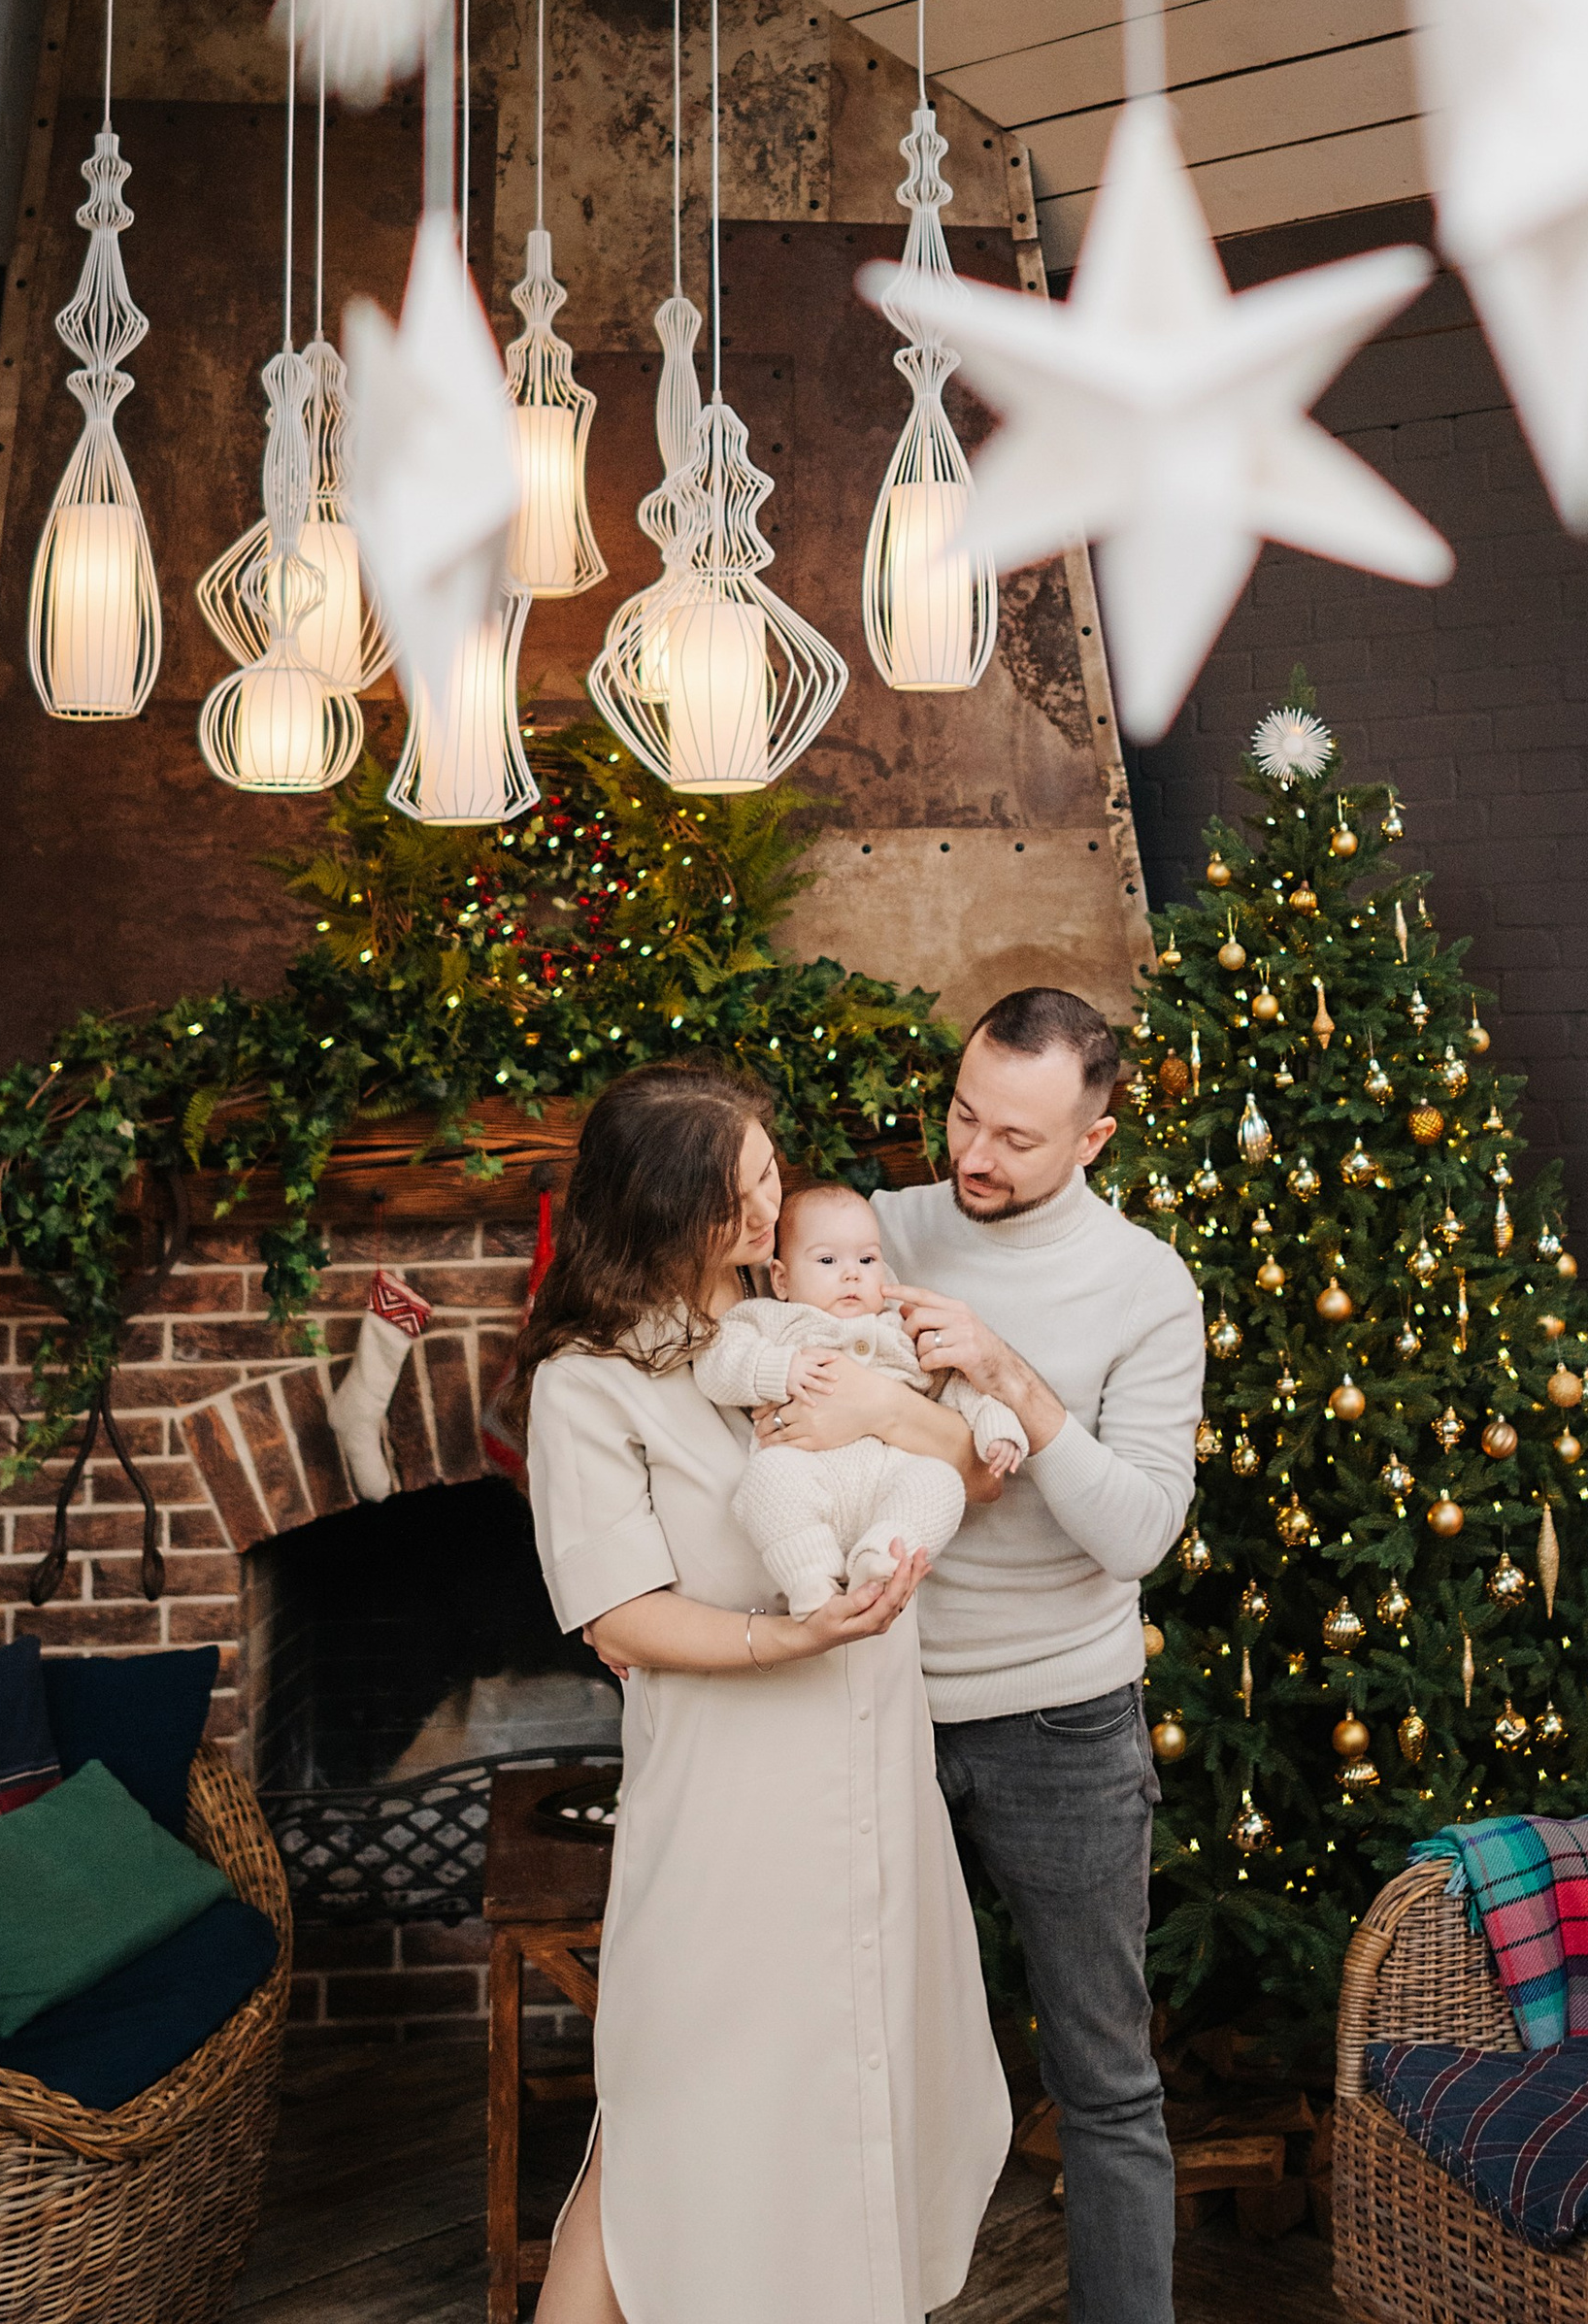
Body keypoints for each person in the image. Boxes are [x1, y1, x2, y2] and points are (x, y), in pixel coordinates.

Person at [516, 1058, 1009, 2324]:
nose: (773, 1197)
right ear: (678, 1206)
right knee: (666, 2136)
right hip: (732, 1814)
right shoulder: (591, 1384)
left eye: (770, 1169)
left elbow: (968, 1464)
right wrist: (784, 1641)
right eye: (748, 1183)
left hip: (876, 1796)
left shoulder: (815, 1332)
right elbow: (620, 1610)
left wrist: (902, 1414)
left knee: (853, 2119)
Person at [760, 986, 1207, 2324]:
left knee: (1104, 2078)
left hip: (1062, 1723)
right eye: (963, 1113)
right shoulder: (869, 1239)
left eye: (1016, 1135)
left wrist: (1013, 1380)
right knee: (855, 2070)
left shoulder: (1145, 1285)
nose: (973, 1156)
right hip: (868, 1705)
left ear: (1094, 1138)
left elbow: (1134, 1533)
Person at [693, 1179, 1027, 1611]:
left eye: (867, 1259)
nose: (852, 1274)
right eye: (828, 1260)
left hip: (890, 1478)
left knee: (940, 1483)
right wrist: (779, 1369)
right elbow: (716, 1363)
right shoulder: (772, 1321)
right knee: (770, 1478)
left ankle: (882, 1558)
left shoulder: (904, 1332)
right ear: (781, 1278)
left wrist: (996, 1427)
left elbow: (961, 1386)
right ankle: (810, 1580)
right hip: (805, 1468)